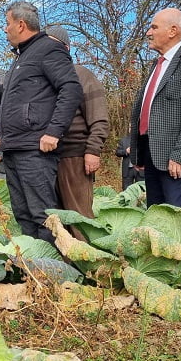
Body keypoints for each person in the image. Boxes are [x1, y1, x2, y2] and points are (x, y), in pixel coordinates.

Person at [0, 1, 83, 243]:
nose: (5, 29)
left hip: (35, 149)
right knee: (23, 214)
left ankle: (51, 271)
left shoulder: (48, 49)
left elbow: (71, 88)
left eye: (7, 24)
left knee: (42, 216)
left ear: (20, 24)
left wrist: (54, 131)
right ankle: (33, 269)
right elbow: (4, 96)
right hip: (15, 148)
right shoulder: (22, 57)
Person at [129, 8, 181, 247]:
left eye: (154, 27)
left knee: (180, 217)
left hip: (176, 159)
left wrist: (180, 155)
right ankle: (165, 269)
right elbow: (147, 109)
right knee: (158, 216)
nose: (148, 32)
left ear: (173, 30)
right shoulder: (158, 64)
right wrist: (138, 152)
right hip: (153, 155)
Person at [45, 26, 109, 230]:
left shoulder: (82, 75)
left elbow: (99, 118)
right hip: (46, 159)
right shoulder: (41, 79)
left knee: (79, 219)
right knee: (55, 223)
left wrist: (92, 150)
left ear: (65, 48)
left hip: (75, 157)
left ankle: (91, 258)